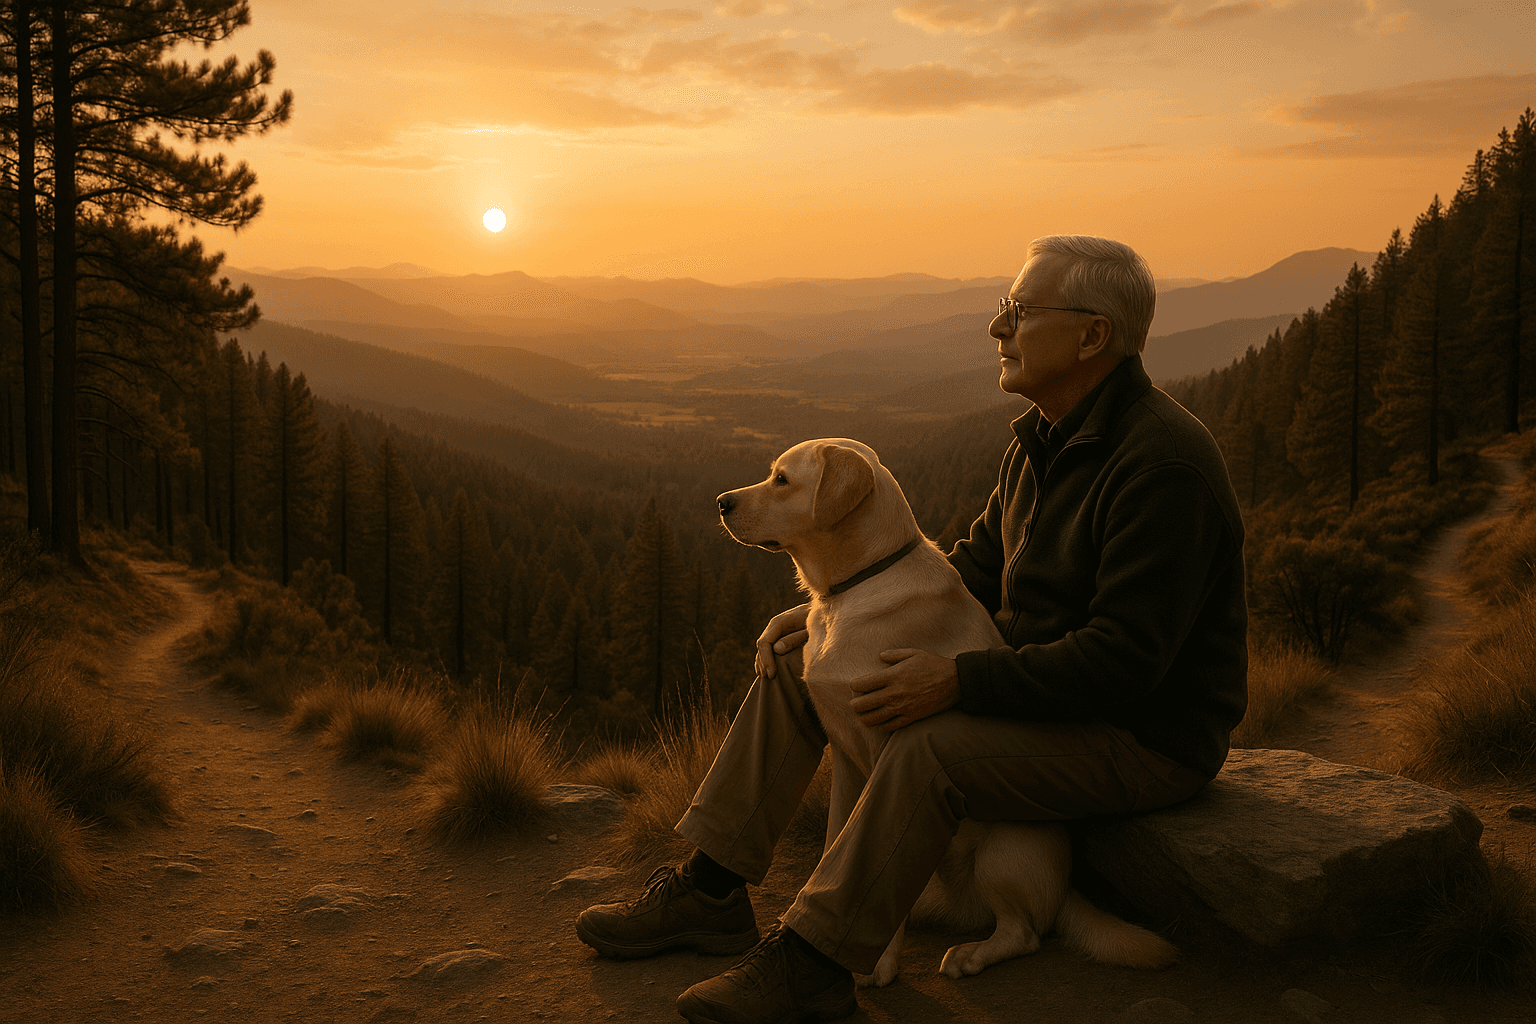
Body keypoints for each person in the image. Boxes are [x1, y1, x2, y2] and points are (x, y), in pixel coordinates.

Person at [575, 234, 1248, 1024]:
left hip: (1139, 736)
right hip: (1038, 690)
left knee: (930, 746)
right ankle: (712, 890)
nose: (999, 329)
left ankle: (816, 962)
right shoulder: (1040, 444)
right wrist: (833, 611)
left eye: (1020, 313)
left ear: (1093, 335)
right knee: (801, 664)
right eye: (1004, 309)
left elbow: (1127, 664)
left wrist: (958, 680)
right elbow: (967, 567)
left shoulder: (1160, 466)